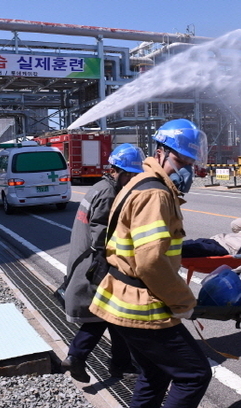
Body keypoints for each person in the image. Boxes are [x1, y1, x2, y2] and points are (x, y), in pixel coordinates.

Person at [89, 119, 212, 408]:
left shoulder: (140, 183)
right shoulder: (155, 193)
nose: (187, 170)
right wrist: (184, 302)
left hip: (122, 298)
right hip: (142, 304)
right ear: (161, 152)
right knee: (194, 374)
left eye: (191, 162)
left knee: (154, 374)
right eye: (183, 160)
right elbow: (151, 263)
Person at [61, 143, 145, 383]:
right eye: (133, 176)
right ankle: (77, 356)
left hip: (87, 263)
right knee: (102, 316)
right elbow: (101, 237)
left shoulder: (99, 186)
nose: (133, 182)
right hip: (95, 267)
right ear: (125, 172)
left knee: (114, 316)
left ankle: (120, 363)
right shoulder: (109, 193)